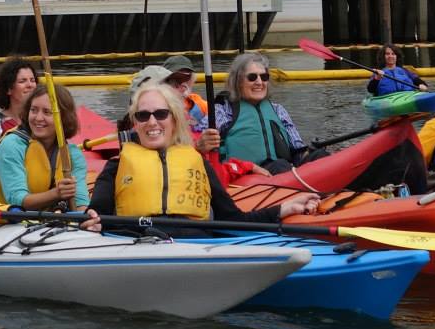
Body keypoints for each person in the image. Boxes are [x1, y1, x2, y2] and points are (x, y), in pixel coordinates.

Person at [86, 81, 318, 225]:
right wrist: (93, 223)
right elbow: (97, 215)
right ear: (135, 123)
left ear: (175, 120)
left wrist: (285, 208)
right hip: (135, 242)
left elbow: (233, 219)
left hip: (194, 244)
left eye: (160, 114)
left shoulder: (198, 163)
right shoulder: (116, 167)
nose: (152, 122)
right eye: (143, 115)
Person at [0, 85, 89, 212]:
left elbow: (81, 200)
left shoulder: (72, 154)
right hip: (4, 218)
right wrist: (56, 194)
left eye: (47, 112)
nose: (38, 118)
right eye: (33, 110)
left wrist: (86, 217)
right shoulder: (11, 145)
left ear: (63, 118)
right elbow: (17, 199)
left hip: (44, 220)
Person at [215, 51, 306, 171]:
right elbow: (202, 142)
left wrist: (311, 156)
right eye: (252, 77)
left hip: (282, 169)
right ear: (238, 81)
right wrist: (202, 142)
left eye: (264, 77)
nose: (259, 82)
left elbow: (298, 148)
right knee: (280, 166)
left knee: (319, 155)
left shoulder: (278, 110)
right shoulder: (223, 110)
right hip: (244, 174)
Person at [0, 56, 39, 188]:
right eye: (23, 81)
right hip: (6, 182)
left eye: (32, 80)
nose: (30, 85)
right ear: (9, 89)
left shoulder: (42, 121)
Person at [161, 54, 212, 135]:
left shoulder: (198, 102)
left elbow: (216, 113)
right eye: (176, 78)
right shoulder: (157, 104)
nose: (182, 82)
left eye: (187, 77)